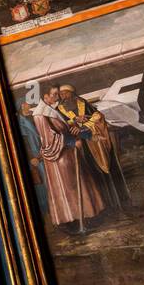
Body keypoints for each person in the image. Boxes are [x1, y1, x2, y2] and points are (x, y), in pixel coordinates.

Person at [31, 85, 105, 232]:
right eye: (54, 95)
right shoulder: (40, 114)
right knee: (68, 188)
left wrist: (87, 135)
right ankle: (72, 221)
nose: (57, 97)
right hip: (58, 159)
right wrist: (72, 142)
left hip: (68, 153)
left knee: (80, 183)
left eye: (58, 95)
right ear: (45, 97)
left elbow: (66, 130)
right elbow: (50, 138)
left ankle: (86, 217)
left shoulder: (51, 110)